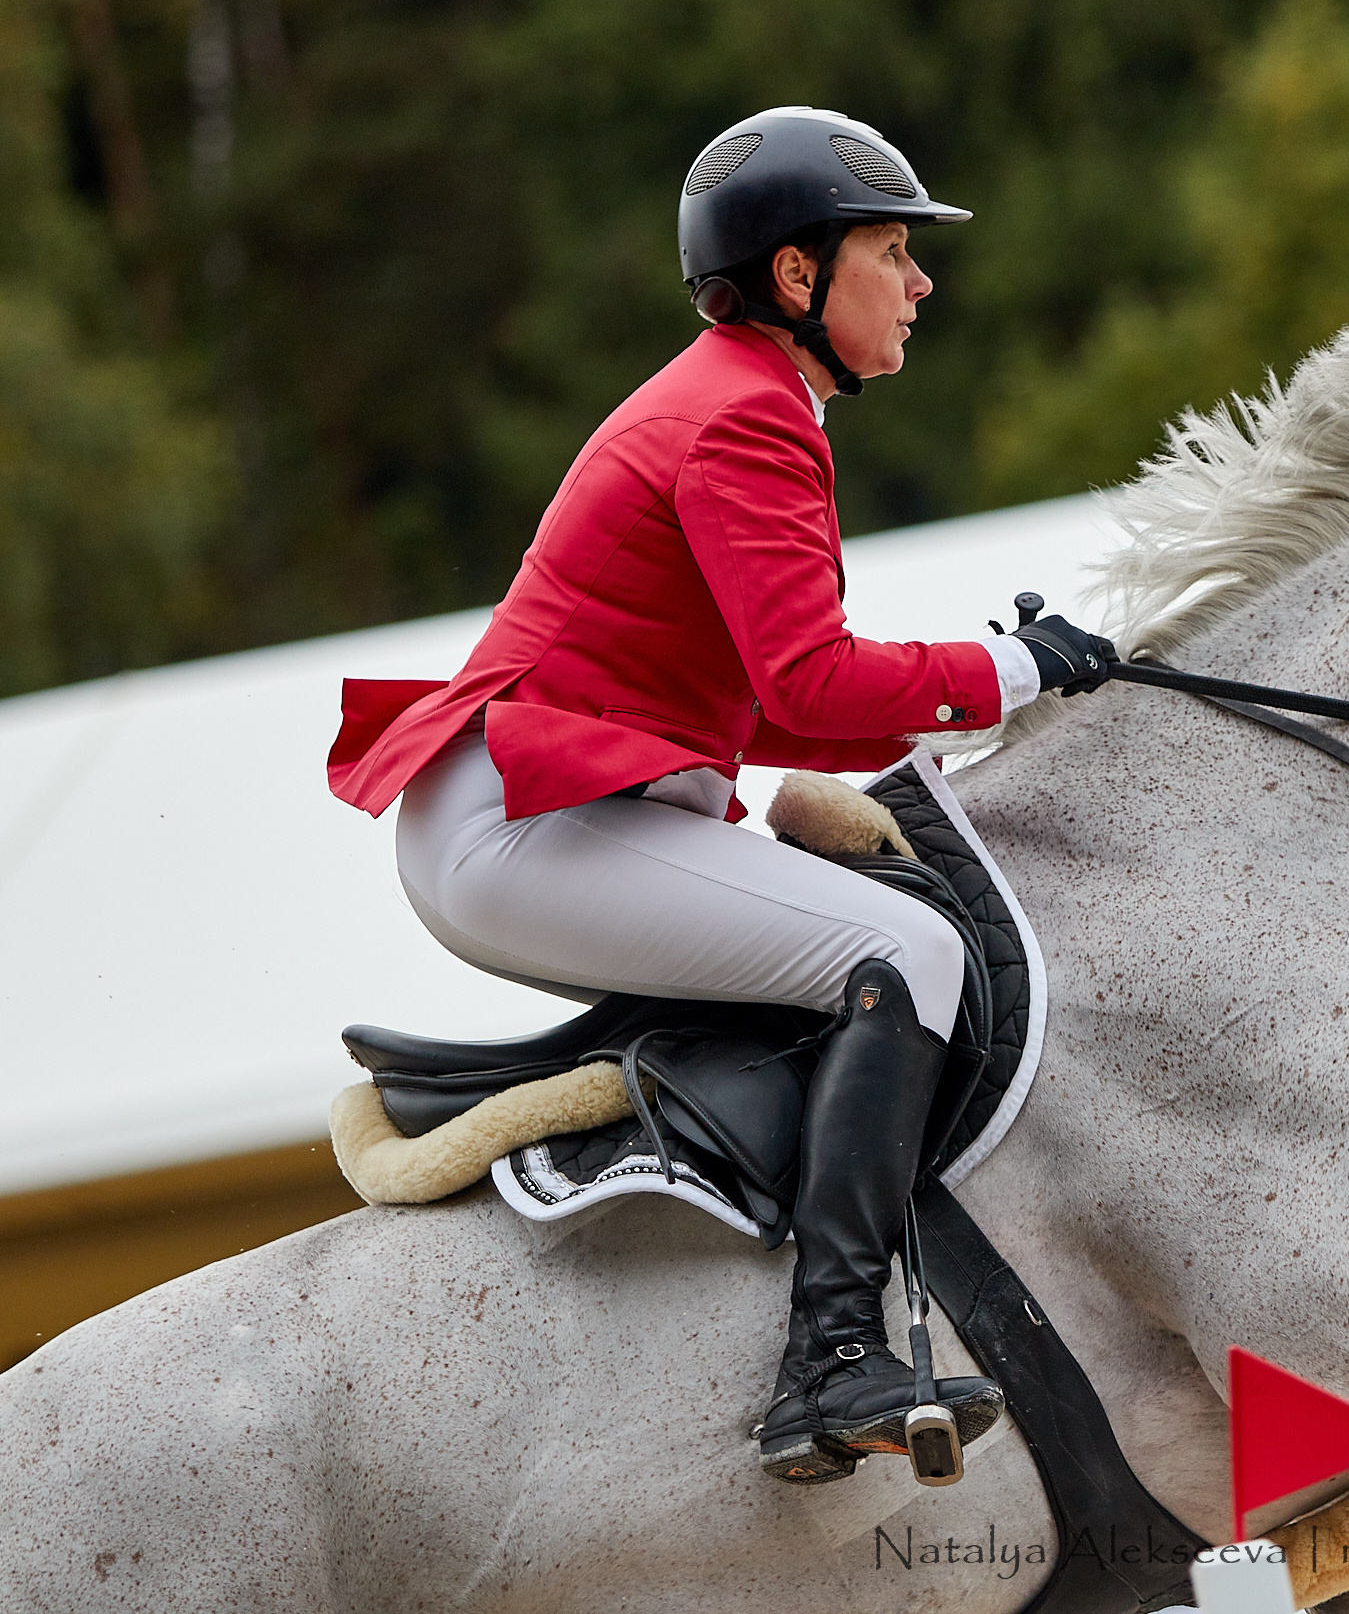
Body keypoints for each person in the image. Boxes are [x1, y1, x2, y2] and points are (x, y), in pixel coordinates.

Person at [325, 106, 1115, 1484]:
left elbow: (750, 699)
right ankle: (828, 1357)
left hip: (549, 804)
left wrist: (965, 711)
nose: (923, 281)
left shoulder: (742, 396)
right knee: (909, 948)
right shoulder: (745, 415)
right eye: (892, 250)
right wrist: (1008, 668)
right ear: (797, 276)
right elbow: (807, 687)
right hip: (527, 821)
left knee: (875, 927)